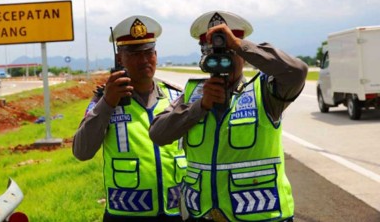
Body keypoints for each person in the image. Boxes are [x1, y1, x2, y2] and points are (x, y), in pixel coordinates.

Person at [149, 11, 308, 222]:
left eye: (229, 53)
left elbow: (296, 72)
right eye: (212, 53)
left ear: (242, 53)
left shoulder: (265, 92)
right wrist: (200, 106)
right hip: (203, 216)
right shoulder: (194, 94)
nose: (222, 60)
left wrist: (239, 45)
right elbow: (158, 134)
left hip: (260, 216)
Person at [72, 15, 187, 222]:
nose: (144, 60)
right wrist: (107, 102)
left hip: (176, 211)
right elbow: (82, 151)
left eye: (148, 52)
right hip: (125, 214)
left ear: (156, 55)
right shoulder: (105, 100)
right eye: (134, 54)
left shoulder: (176, 98)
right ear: (119, 59)